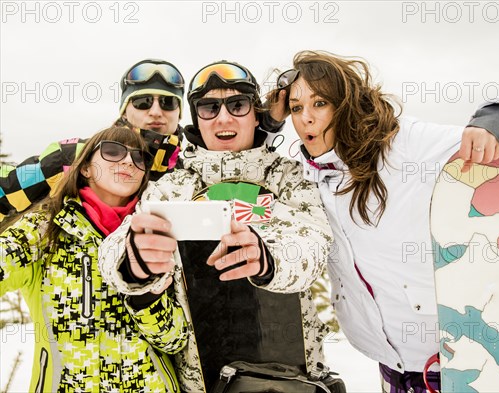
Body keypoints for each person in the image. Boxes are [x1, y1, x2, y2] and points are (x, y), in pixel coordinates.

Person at [270, 50, 499, 393]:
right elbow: (262, 173)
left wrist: (495, 121)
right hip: (390, 364)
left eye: (320, 103)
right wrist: (266, 124)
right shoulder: (311, 173)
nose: (305, 118)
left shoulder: (406, 146)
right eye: (295, 108)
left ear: (346, 103)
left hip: (455, 365)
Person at [97, 61, 334, 392]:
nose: (224, 118)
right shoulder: (172, 186)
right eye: (209, 108)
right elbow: (113, 249)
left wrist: (268, 261)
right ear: (197, 120)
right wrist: (134, 263)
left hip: (290, 378)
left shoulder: (287, 177)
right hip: (203, 382)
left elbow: (313, 245)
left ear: (256, 114)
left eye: (237, 105)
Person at [0, 125, 188, 392]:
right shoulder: (45, 229)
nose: (127, 161)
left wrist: (145, 296)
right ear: (85, 168)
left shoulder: (157, 233)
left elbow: (175, 341)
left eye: (139, 158)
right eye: (113, 151)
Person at [0, 58, 286, 223]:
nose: (156, 112)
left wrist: (267, 123)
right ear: (124, 110)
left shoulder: (187, 167)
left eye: (168, 104)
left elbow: (239, 168)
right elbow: (7, 190)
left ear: (181, 113)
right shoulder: (75, 155)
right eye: (143, 102)